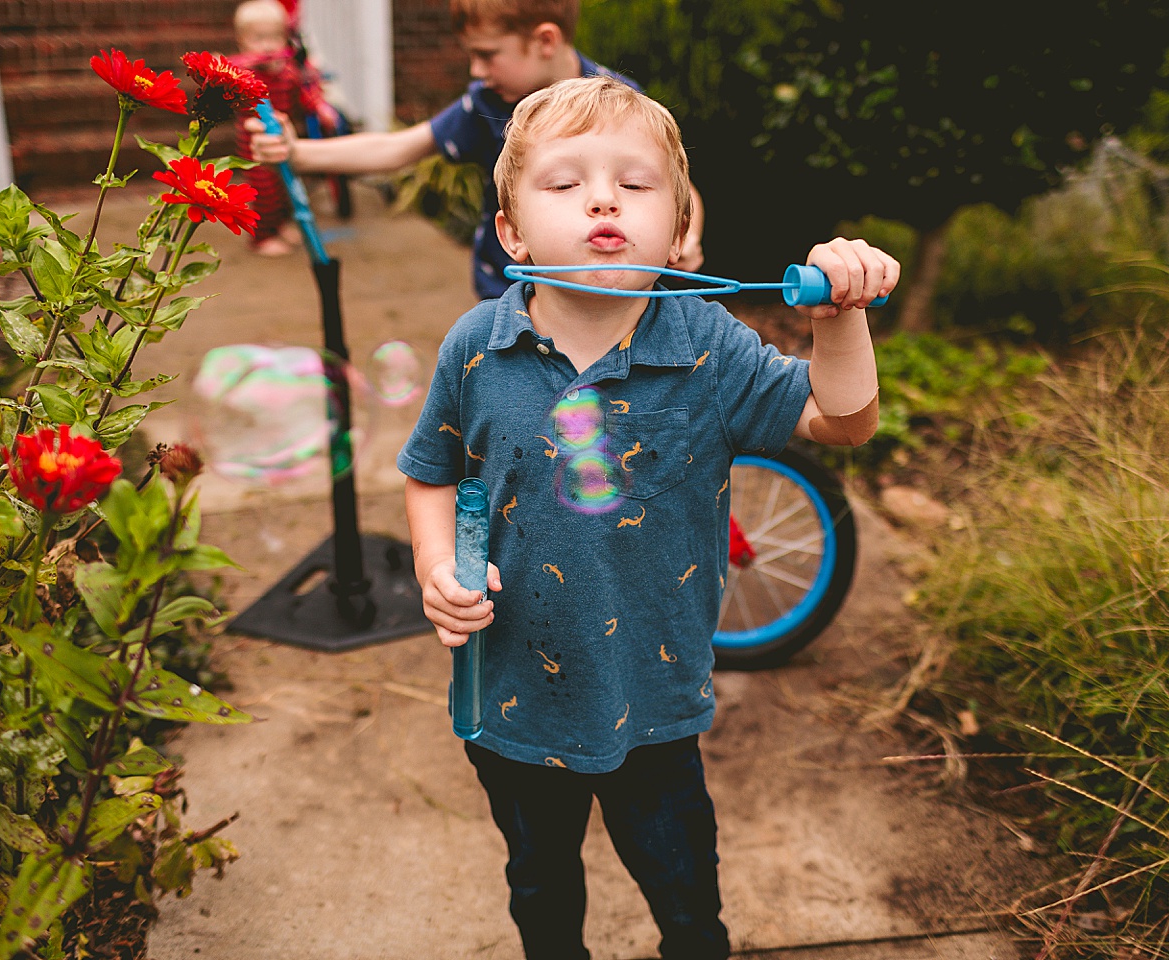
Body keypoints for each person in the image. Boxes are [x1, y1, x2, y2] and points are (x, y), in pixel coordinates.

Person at [396, 76, 897, 960]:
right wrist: (437, 565)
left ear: (679, 231)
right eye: (565, 183)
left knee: (685, 896)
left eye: (636, 184)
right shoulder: (478, 345)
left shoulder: (707, 345)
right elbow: (431, 470)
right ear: (510, 232)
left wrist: (841, 323)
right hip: (512, 700)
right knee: (541, 887)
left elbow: (843, 419)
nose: (603, 198)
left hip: (656, 703)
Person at [246, 0, 705, 298]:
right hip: (507, 292)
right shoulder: (485, 103)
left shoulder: (620, 105)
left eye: (487, 54)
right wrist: (300, 154)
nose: (477, 69)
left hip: (608, 296)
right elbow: (398, 148)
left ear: (544, 41)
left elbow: (678, 189)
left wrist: (688, 237)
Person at [230, 0, 346, 255]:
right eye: (258, 39)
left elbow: (306, 94)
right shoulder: (243, 73)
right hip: (255, 144)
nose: (268, 46)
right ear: (242, 41)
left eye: (275, 37)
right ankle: (260, 237)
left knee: (284, 186)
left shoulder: (288, 72)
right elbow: (225, 80)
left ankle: (279, 226)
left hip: (284, 139)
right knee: (264, 192)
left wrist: (321, 109)